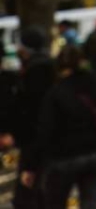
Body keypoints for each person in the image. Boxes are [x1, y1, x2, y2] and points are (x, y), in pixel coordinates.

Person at [32, 45, 96, 209]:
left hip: (65, 156)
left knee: (56, 201)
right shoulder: (95, 81)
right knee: (90, 200)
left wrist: (34, 164)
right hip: (95, 150)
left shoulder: (56, 93)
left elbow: (45, 130)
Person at [10, 27, 57, 209]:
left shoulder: (33, 72)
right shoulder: (48, 67)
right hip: (45, 139)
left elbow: (31, 111)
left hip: (35, 139)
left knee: (31, 193)